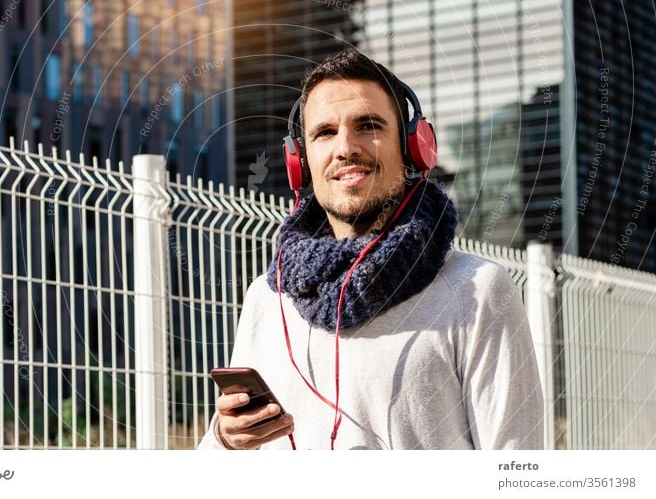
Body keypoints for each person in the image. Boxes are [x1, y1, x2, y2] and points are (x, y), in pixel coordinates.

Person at [198, 48, 544, 450]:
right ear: (301, 161)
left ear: (414, 148)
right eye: (324, 132)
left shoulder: (479, 290)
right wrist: (226, 439)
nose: (346, 147)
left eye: (368, 125)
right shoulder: (266, 298)